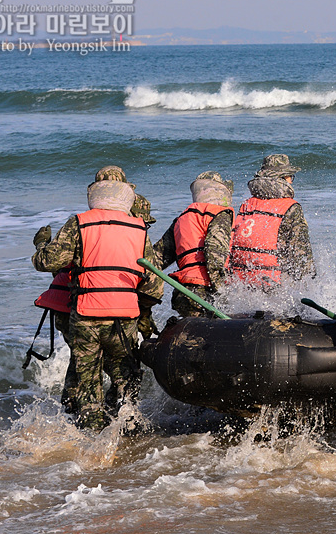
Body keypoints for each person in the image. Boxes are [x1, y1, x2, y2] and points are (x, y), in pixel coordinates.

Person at [31, 166, 163, 430]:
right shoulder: (139, 228)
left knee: (87, 383)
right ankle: (127, 435)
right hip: (123, 317)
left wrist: (40, 245)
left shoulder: (80, 222)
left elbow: (47, 262)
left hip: (86, 315)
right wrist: (144, 313)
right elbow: (153, 283)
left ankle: (91, 445)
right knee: (126, 379)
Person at [228, 154, 315, 290]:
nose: (291, 182)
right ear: (281, 179)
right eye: (290, 177)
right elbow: (301, 254)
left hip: (242, 283)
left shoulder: (247, 205)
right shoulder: (290, 207)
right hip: (273, 284)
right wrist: (311, 282)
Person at [154, 171, 234, 317]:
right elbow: (214, 252)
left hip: (182, 292)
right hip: (204, 293)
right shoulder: (220, 214)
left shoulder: (182, 218)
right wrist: (222, 292)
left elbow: (157, 259)